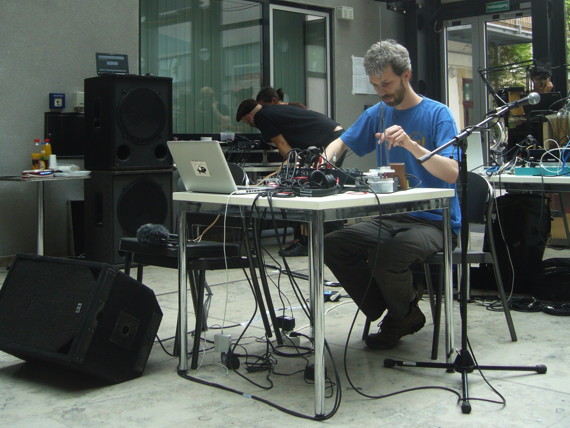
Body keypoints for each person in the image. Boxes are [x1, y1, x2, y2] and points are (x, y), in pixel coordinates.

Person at [323, 39, 462, 350]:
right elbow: (341, 142)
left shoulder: (438, 114)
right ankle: (400, 309)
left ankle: (399, 315)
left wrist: (411, 145)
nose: (380, 92)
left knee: (388, 254)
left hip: (434, 221)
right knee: (332, 244)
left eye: (385, 83)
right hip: (392, 216)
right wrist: (325, 159)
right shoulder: (379, 112)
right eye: (375, 85)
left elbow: (452, 173)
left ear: (405, 75)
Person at [236, 98, 345, 256]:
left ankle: (322, 242)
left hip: (329, 140)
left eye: (245, 122)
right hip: (333, 135)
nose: (248, 125)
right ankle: (311, 240)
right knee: (318, 187)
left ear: (248, 117)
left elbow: (282, 145)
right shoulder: (271, 109)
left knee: (315, 188)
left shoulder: (261, 117)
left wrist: (290, 165)